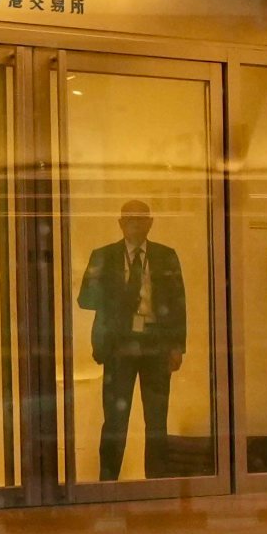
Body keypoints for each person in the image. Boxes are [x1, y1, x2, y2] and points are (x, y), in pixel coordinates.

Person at [77, 201, 189, 478]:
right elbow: (85, 299)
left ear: (150, 223)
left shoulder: (166, 256)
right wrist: (117, 295)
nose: (135, 224)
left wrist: (177, 347)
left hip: (156, 344)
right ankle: (108, 482)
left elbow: (178, 304)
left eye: (140, 219)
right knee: (115, 420)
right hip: (118, 345)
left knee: (156, 419)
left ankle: (157, 483)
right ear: (120, 223)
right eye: (129, 219)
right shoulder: (103, 256)